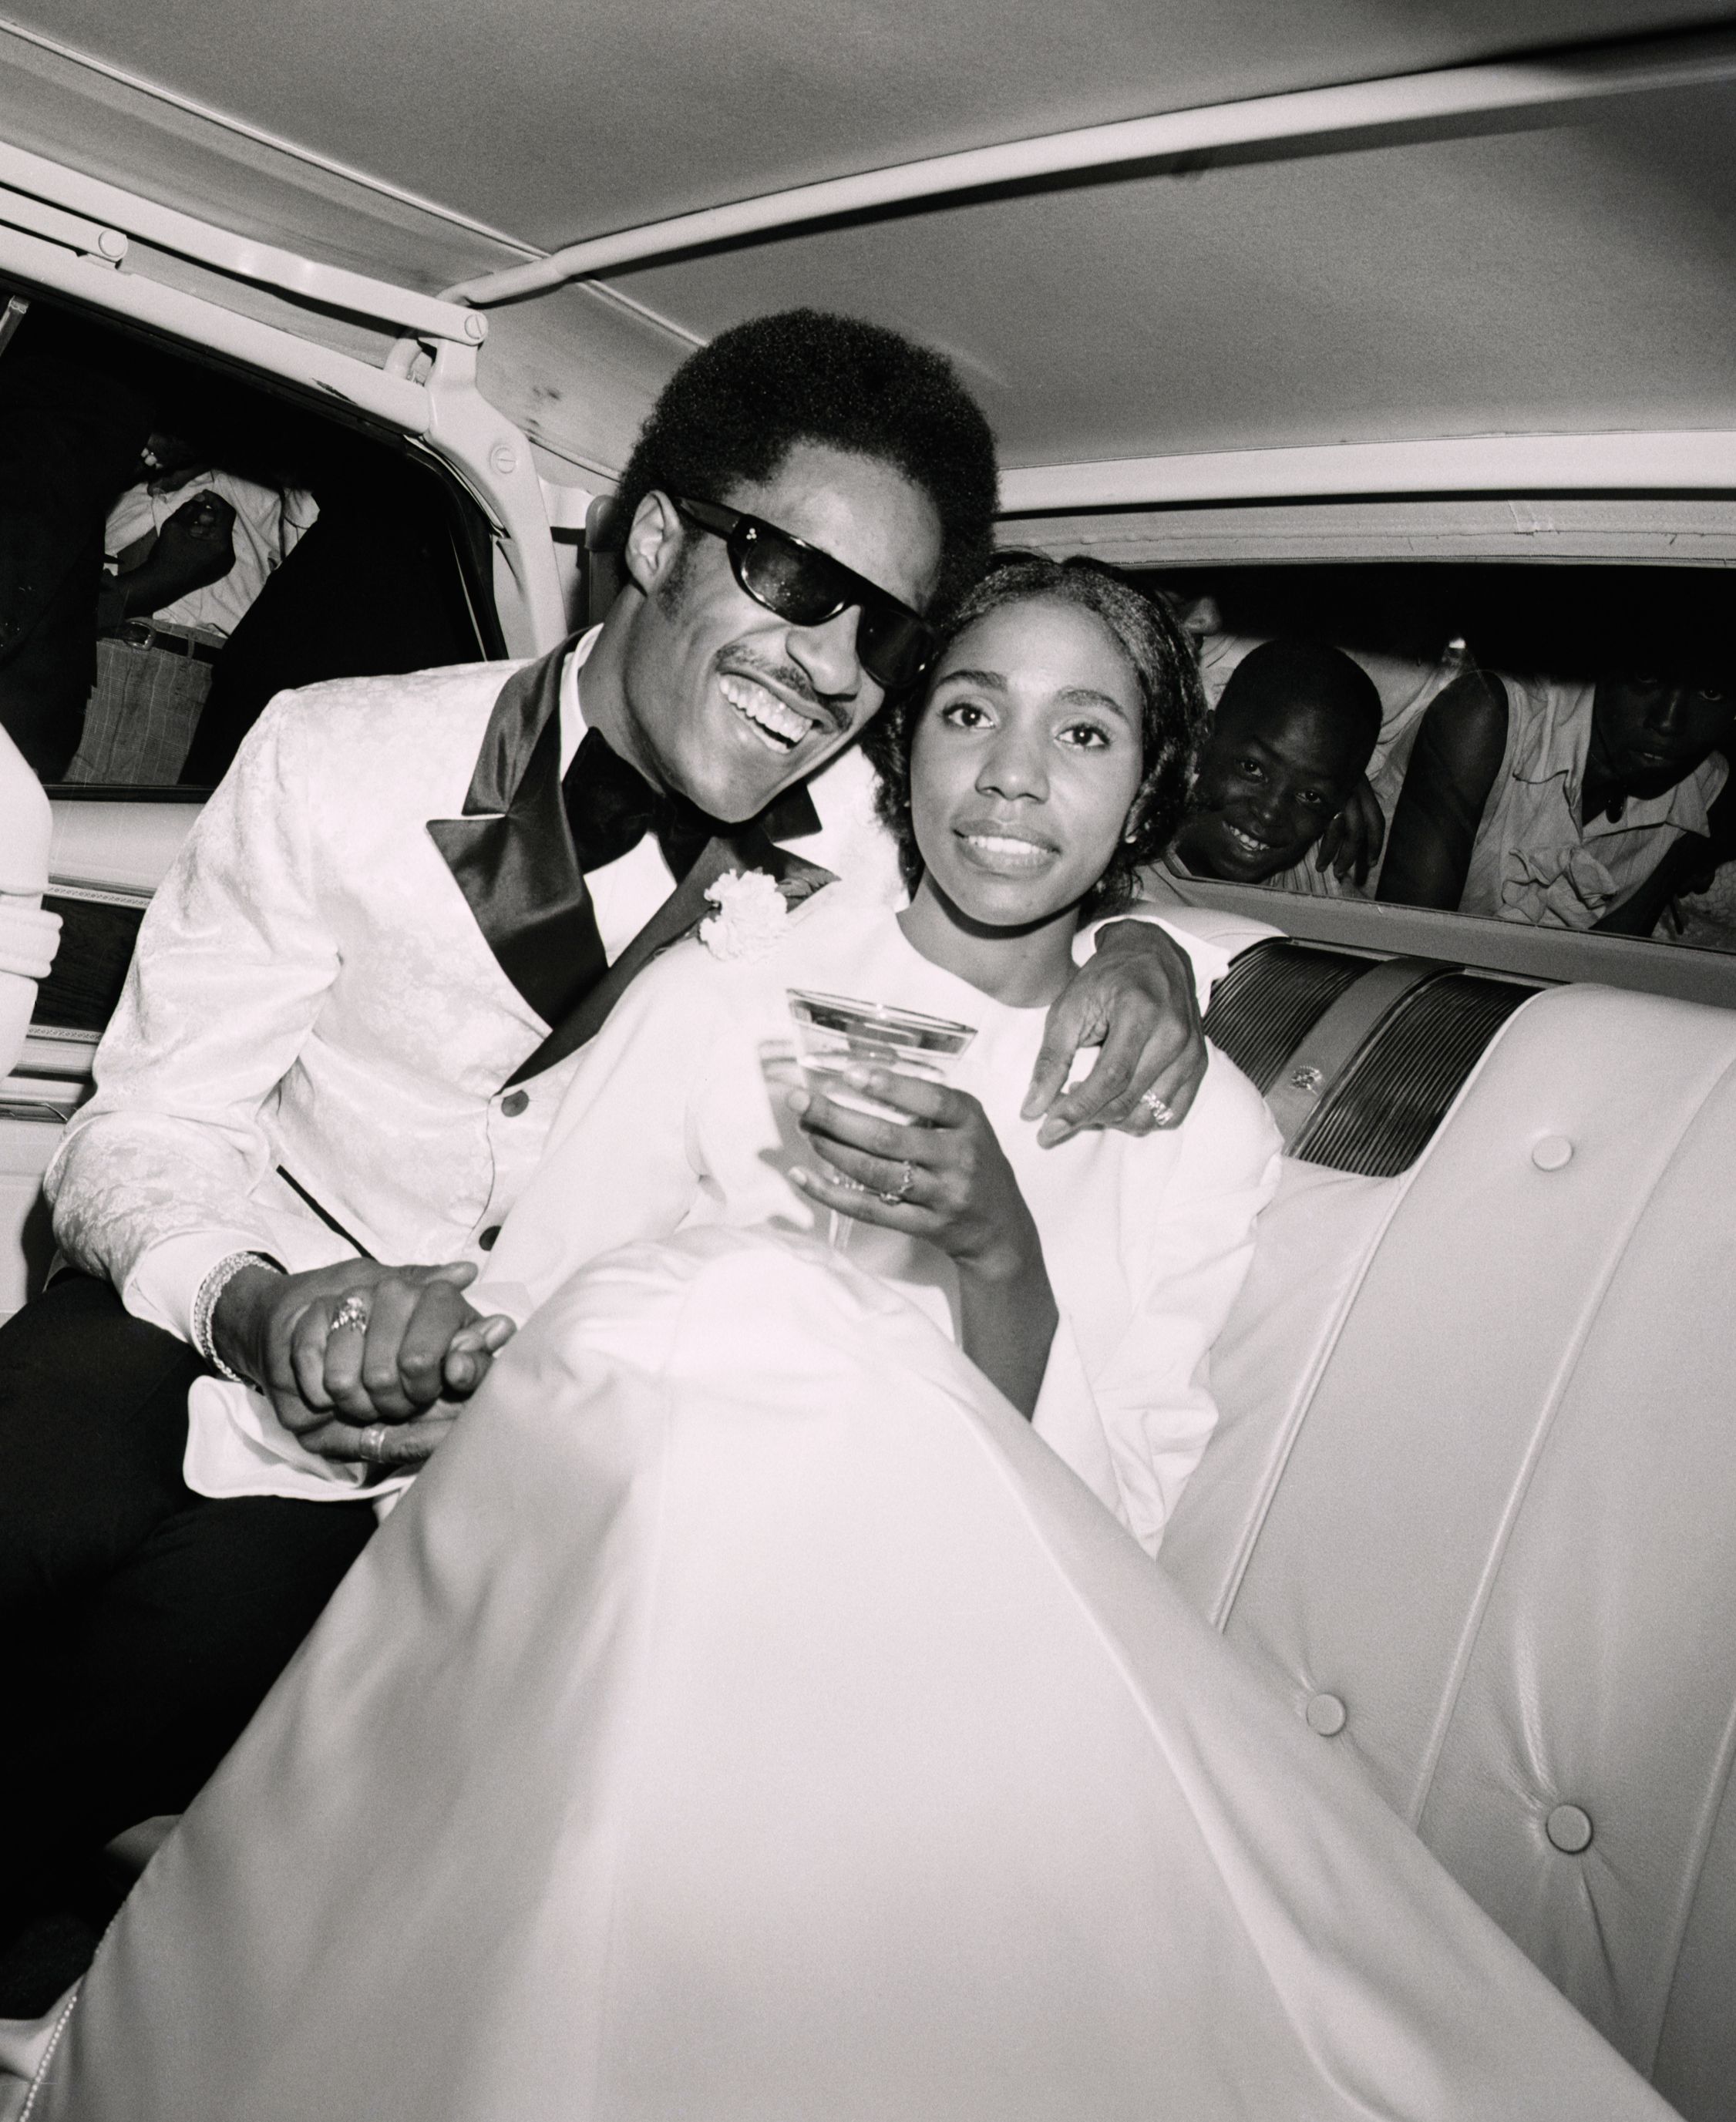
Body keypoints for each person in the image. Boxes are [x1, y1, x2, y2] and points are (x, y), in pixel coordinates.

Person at [14, 567, 1667, 2122]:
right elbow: (546, 1351)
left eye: (1083, 732)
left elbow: (1107, 1532)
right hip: (622, 1589)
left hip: (941, 1655)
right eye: (967, 713)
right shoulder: (728, 997)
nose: (1014, 777)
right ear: (905, 748)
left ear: (1151, 784)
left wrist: (996, 1247)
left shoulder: (1194, 1122)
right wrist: (416, 1348)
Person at [0, 311, 1228, 2006]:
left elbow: (1051, 834)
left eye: (881, 633)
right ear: (652, 536)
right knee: (36, 1462)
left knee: (191, 1634)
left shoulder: (896, 832)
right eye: (792, 577)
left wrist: (1146, 958)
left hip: (487, 1461)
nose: (826, 665)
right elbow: (145, 1123)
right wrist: (263, 1306)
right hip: (229, 1293)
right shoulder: (341, 756)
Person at [1377, 648, 1736, 932]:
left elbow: (1613, 968)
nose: (1668, 722)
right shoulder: (1489, 715)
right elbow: (1412, 950)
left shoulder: (1704, 785)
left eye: (1711, 692)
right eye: (1646, 677)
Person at [64, 436, 318, 786]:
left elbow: (312, 560)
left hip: (193, 691)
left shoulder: (266, 497)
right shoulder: (113, 488)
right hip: (89, 667)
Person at [1162, 638, 1382, 898]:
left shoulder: (1323, 903)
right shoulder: (1121, 857)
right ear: (1202, 741)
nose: (1269, 813)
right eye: (1252, 768)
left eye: (1310, 796)